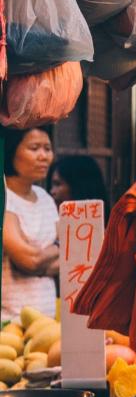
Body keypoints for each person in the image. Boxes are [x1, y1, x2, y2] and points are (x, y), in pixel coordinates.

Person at [2, 127, 59, 323]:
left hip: (46, 319)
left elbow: (70, 261)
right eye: (34, 148)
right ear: (11, 151)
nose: (43, 156)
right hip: (11, 320)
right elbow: (29, 259)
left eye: (47, 148)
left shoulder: (45, 199)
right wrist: (58, 248)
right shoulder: (4, 197)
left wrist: (38, 263)